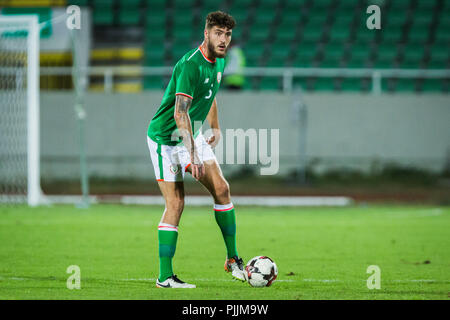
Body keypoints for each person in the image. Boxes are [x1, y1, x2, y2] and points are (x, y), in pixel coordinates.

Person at [146, 11, 246, 288]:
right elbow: (180, 114)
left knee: (223, 190)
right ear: (206, 33)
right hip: (167, 139)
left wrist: (214, 125)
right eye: (218, 33)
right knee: (176, 203)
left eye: (227, 34)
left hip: (192, 133)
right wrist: (191, 156)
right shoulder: (190, 65)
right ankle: (164, 277)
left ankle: (232, 260)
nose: (224, 39)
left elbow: (210, 95)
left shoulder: (219, 61)